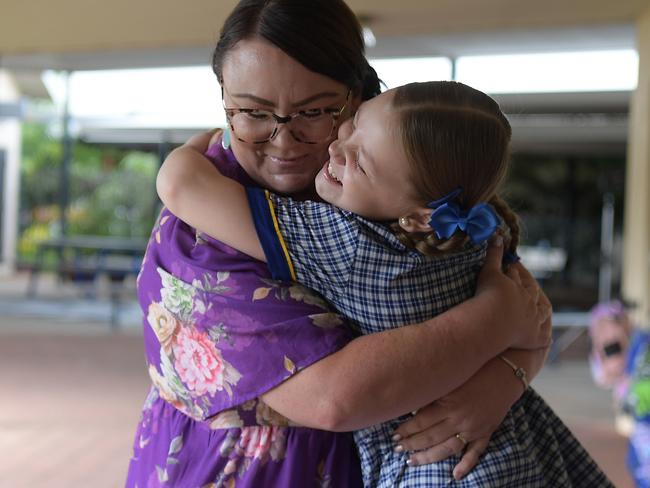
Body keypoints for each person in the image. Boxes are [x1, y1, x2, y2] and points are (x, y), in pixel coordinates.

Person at [126, 1, 555, 486]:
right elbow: (335, 400)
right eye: (252, 112)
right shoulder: (200, 228)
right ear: (224, 96)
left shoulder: (400, 175)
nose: (284, 141)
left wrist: (505, 381)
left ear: (356, 95)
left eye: (315, 111)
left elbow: (530, 309)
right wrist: (493, 323)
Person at [159, 79, 613, 487]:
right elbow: (535, 326)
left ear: (416, 216)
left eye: (360, 161)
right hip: (519, 441)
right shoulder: (481, 230)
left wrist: (210, 143)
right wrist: (510, 376)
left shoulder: (350, 244)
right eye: (353, 125)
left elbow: (180, 184)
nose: (338, 148)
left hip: (432, 466)